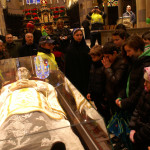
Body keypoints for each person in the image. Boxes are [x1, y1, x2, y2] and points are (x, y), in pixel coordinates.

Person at [0, 67, 84, 150]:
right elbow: (1, 100)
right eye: (19, 70)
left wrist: (34, 85)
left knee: (41, 125)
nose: (21, 71)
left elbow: (50, 90)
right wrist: (11, 89)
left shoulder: (37, 82)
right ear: (16, 77)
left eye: (24, 70)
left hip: (37, 107)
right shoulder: (8, 87)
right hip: (13, 110)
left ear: (29, 75)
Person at [115, 35, 150, 116]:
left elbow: (141, 89)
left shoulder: (146, 64)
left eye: (129, 51)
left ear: (138, 49)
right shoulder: (134, 61)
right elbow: (127, 82)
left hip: (138, 108)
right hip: (130, 104)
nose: (127, 54)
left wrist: (125, 103)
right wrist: (121, 96)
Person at [101, 42, 128, 121]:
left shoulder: (122, 63)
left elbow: (115, 80)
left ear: (115, 53)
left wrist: (108, 68)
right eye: (104, 56)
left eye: (107, 56)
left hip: (118, 96)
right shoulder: (110, 62)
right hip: (110, 96)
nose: (106, 59)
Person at [65, 28, 91, 97]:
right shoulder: (70, 50)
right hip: (75, 77)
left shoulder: (86, 48)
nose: (79, 37)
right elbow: (68, 67)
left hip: (85, 76)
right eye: (77, 35)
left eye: (81, 35)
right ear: (73, 36)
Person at [129, 67, 150, 150]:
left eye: (147, 82)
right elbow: (137, 109)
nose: (144, 84)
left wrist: (136, 137)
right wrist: (133, 127)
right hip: (139, 131)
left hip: (145, 138)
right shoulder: (145, 91)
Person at [86, 45, 106, 117]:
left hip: (102, 97)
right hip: (95, 95)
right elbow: (91, 79)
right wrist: (89, 91)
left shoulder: (104, 66)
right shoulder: (93, 65)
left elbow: (106, 83)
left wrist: (104, 96)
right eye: (91, 57)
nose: (92, 59)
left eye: (94, 57)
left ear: (100, 55)